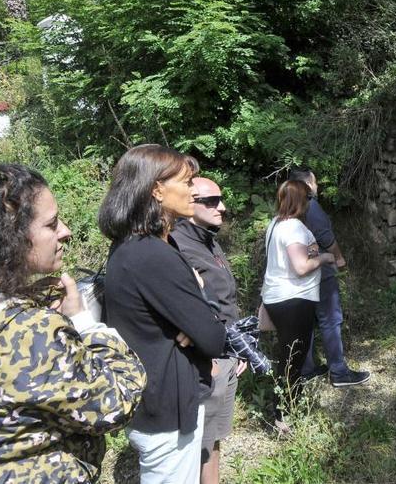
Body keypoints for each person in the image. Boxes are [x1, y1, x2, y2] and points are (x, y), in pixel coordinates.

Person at [0, 164, 146, 482]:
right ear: (8, 237)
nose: (65, 231)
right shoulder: (30, 333)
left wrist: (22, 300)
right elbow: (116, 401)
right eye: (51, 224)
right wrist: (84, 321)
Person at [99, 144, 226, 484]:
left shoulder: (135, 245)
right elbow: (214, 338)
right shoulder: (151, 254)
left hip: (156, 401)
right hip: (168, 409)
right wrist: (196, 321)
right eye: (186, 182)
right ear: (157, 190)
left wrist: (192, 322)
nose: (193, 190)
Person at [171, 174, 248, 484]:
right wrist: (210, 357)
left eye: (221, 199)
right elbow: (182, 309)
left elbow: (224, 298)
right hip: (206, 360)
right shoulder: (176, 244)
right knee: (197, 442)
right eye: (212, 201)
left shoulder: (208, 237)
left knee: (214, 436)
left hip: (225, 351)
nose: (223, 207)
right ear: (190, 203)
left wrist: (237, 345)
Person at [289, 168, 370, 387]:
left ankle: (306, 370)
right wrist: (339, 258)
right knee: (330, 320)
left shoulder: (288, 209)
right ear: (308, 184)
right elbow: (326, 237)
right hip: (320, 273)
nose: (317, 187)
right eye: (315, 182)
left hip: (300, 275)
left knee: (306, 322)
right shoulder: (311, 206)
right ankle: (339, 372)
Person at [261, 180, 334, 411]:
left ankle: (288, 406)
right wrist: (325, 258)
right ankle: (284, 413)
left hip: (277, 297)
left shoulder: (276, 223)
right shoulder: (293, 227)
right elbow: (301, 267)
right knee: (293, 359)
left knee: (288, 354)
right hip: (294, 299)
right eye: (308, 198)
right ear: (302, 200)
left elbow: (298, 252)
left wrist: (312, 249)